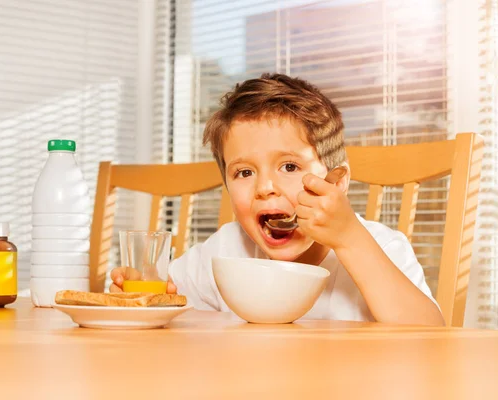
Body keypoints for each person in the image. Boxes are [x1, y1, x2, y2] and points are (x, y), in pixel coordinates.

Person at [111, 73, 444, 326]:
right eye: (244, 173)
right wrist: (144, 302)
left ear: (337, 182)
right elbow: (171, 310)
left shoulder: (378, 247)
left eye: (289, 166)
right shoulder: (226, 250)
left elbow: (429, 337)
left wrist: (351, 241)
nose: (264, 187)